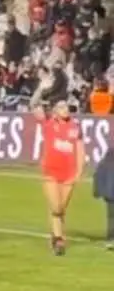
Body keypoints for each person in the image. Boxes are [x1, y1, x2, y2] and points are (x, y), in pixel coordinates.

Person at [33, 99, 84, 256]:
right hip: (51, 171)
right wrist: (42, 90)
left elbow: (80, 149)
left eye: (66, 106)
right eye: (61, 107)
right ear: (55, 111)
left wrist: (79, 171)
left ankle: (56, 235)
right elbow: (36, 109)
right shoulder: (48, 125)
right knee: (55, 207)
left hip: (68, 173)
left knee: (61, 208)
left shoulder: (75, 128)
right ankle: (58, 239)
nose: (65, 109)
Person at [92, 147, 114, 250]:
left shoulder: (105, 161)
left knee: (111, 217)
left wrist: (97, 192)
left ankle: (110, 240)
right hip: (111, 193)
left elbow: (98, 175)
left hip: (110, 194)